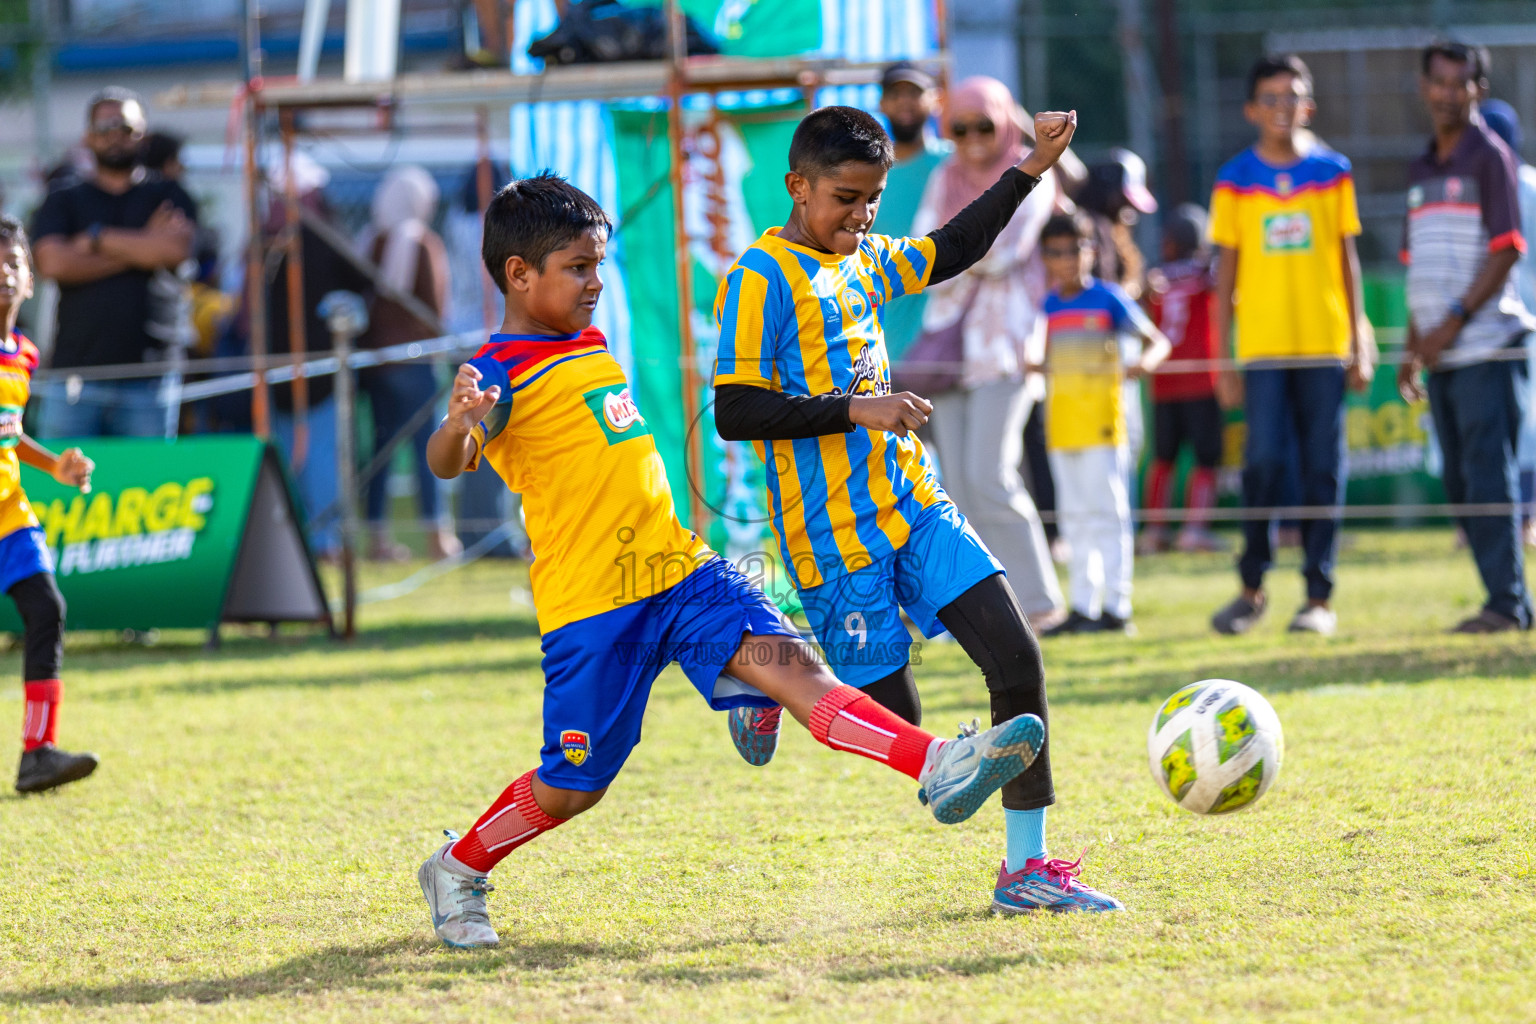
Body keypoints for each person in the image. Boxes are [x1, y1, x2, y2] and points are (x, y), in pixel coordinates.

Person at [415, 173, 1047, 948]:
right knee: (572, 787)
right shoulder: (501, 371)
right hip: (593, 607)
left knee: (802, 672)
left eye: (599, 264)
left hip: (680, 570)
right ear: (519, 273)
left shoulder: (587, 342)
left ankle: (937, 762)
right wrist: (458, 426)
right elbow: (452, 459)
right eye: (578, 267)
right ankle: (459, 866)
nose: (596, 282)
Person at [713, 105, 1124, 913]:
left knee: (1017, 658)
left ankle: (1026, 871)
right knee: (890, 715)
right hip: (829, 536)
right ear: (797, 186)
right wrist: (853, 408)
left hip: (915, 504)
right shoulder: (757, 278)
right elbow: (736, 412)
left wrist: (1032, 166)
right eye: (844, 198)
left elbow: (955, 247)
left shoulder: (866, 257)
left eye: (872, 199)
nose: (860, 217)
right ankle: (766, 680)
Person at [1207, 55, 1374, 638]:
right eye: (1270, 98)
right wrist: (1221, 353)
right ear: (1252, 109)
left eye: (1292, 97)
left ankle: (1318, 599)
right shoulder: (1234, 179)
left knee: (1323, 470)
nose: (1282, 108)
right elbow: (1223, 276)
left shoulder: (1334, 170)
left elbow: (1346, 258)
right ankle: (1251, 587)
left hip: (1325, 346)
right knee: (1264, 464)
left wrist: (1361, 337)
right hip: (1261, 350)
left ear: (1309, 105)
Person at [908, 75, 1065, 627]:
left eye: (984, 125)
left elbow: (1006, 253)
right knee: (952, 487)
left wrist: (953, 252)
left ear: (1004, 121)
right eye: (959, 126)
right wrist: (954, 251)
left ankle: (1041, 601)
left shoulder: (1033, 171)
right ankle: (990, 610)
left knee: (991, 476)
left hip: (1006, 349)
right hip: (948, 350)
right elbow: (925, 249)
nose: (972, 138)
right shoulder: (944, 174)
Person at [1398, 43, 1534, 633]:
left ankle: (1507, 604)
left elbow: (1507, 250)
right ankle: (1499, 600)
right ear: (1424, 87)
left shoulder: (1491, 157)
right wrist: (1413, 346)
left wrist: (1450, 322)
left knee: (1487, 477)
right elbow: (1415, 264)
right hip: (1440, 353)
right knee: (1458, 481)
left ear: (1478, 89)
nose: (1449, 92)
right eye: (1440, 82)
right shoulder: (1420, 166)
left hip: (1487, 346)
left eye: (1462, 83)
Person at [30, 87, 197, 439]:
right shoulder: (63, 198)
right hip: (75, 376)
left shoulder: (169, 194)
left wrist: (94, 239)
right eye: (105, 128)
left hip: (149, 376)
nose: (115, 137)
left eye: (125, 128)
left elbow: (175, 249)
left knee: (147, 486)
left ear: (143, 136)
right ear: (87, 138)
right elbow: (52, 263)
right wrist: (141, 249)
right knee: (62, 487)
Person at [0, 218, 100, 794]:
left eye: (13, 264)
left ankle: (37, 754)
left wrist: (54, 466)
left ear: (31, 281)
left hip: (11, 515)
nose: (5, 274)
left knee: (47, 608)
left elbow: (8, 435)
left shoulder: (24, 356)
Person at [1036, 212, 1171, 636]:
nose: (1067, 260)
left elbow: (1157, 341)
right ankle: (1082, 606)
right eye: (1056, 252)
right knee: (1074, 518)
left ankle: (1116, 607)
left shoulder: (1109, 299)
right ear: (1045, 258)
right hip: (1062, 427)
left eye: (1075, 249)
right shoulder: (1047, 306)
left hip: (1102, 424)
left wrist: (1143, 364)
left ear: (1090, 251)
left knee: (1108, 514)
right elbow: (1032, 355)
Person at [262, 152, 371, 560]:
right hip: (279, 374)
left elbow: (362, 280)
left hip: (323, 373)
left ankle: (328, 543)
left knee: (323, 463)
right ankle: (299, 543)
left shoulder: (327, 238)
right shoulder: (268, 243)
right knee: (289, 461)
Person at [357, 166, 461, 562]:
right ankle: (437, 538)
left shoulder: (370, 240)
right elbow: (436, 306)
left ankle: (377, 540)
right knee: (428, 450)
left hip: (378, 365)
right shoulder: (422, 243)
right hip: (415, 363)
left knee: (381, 452)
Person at [1141, 203, 1226, 555]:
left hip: (1163, 383)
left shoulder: (1157, 277)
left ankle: (1155, 530)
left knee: (1164, 457)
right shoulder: (1206, 273)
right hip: (1201, 380)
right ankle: (1194, 530)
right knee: (1207, 458)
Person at [1479, 99, 1536, 550]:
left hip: (1517, 322)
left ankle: (1523, 519)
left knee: (1521, 426)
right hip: (1489, 320)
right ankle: (1503, 521)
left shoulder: (1524, 186)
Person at [871, 61, 949, 362]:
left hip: (948, 338)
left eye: (914, 92)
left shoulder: (954, 166)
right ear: (881, 103)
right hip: (886, 337)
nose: (904, 101)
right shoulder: (869, 173)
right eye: (895, 93)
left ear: (936, 99)